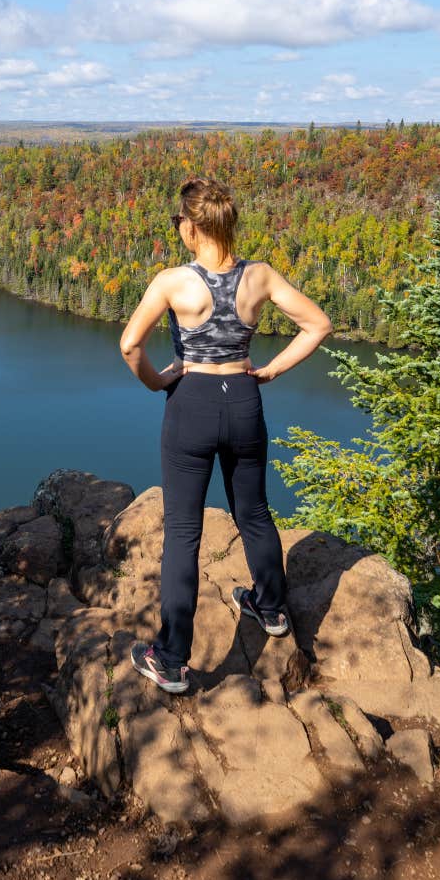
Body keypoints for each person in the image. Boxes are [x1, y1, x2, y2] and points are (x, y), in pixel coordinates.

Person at [119, 176, 333, 694]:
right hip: (243, 400)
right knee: (254, 511)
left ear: (191, 229)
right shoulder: (259, 277)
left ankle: (170, 659)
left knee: (183, 532)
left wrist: (159, 381)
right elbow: (319, 325)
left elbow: (130, 345)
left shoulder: (173, 282)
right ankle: (271, 607)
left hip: (190, 403)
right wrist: (272, 370)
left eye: (179, 223)